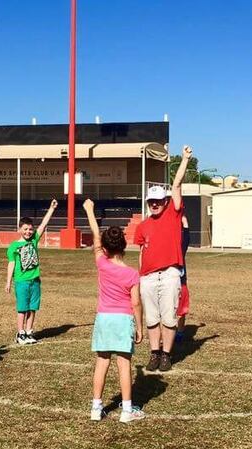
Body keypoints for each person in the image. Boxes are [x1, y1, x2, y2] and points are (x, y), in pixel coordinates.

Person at [83, 199, 146, 423]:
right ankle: (127, 411)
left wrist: (90, 211)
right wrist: (139, 327)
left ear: (106, 248)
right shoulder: (132, 274)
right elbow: (136, 303)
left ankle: (95, 407)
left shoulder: (102, 263)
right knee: (124, 364)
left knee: (102, 362)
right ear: (124, 246)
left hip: (104, 318)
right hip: (123, 318)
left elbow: (95, 235)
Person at [134, 145, 192, 372]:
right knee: (152, 319)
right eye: (151, 201)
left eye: (158, 200)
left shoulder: (173, 214)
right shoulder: (143, 226)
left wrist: (185, 159)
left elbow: (176, 184)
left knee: (169, 317)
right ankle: (154, 353)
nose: (154, 204)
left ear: (165, 201)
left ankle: (166, 354)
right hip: (148, 277)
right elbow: (141, 253)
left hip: (169, 273)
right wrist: (140, 277)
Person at [5, 199, 58, 345]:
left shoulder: (34, 240)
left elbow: (43, 225)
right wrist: (8, 281)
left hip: (35, 280)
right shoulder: (13, 246)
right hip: (21, 282)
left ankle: (29, 331)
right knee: (22, 308)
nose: (28, 232)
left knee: (33, 307)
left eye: (30, 229)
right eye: (25, 229)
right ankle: (20, 333)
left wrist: (51, 209)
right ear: (19, 229)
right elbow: (11, 263)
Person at [175, 215, 191, 343]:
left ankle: (179, 333)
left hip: (181, 283)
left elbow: (186, 238)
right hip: (167, 283)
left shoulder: (180, 247)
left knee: (181, 310)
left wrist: (184, 221)